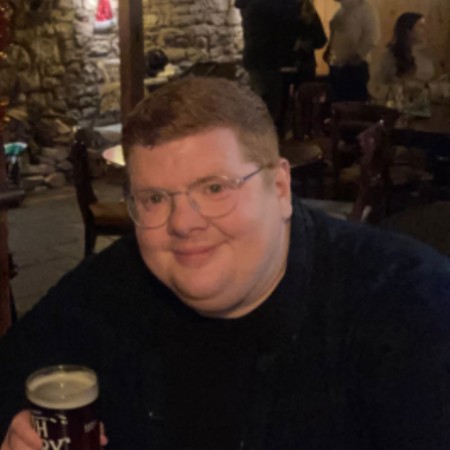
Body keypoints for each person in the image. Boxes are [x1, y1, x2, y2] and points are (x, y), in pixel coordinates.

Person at [1, 76, 450, 450]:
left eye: (214, 188)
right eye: (154, 198)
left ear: (279, 188)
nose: (183, 223)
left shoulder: (409, 306)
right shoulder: (112, 286)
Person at [235, 0, 326, 131]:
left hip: (266, 60)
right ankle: (286, 133)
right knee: (274, 105)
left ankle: (275, 132)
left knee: (269, 103)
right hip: (277, 60)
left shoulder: (251, 6)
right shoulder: (291, 7)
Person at [370, 12, 435, 103]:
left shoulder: (426, 53)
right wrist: (398, 89)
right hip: (399, 104)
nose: (425, 30)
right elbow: (375, 85)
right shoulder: (389, 55)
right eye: (421, 26)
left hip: (424, 104)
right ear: (408, 30)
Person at [324, 0, 380, 101]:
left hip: (354, 70)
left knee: (352, 105)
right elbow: (335, 34)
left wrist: (357, 57)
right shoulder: (340, 11)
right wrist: (329, 49)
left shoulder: (366, 9)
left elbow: (372, 37)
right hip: (336, 67)